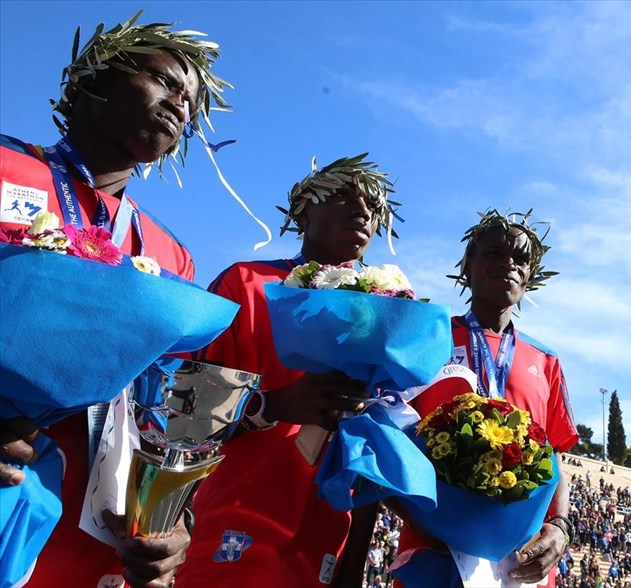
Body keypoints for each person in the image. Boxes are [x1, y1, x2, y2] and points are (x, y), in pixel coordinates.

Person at [0, 12, 229, 587]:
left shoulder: (172, 255)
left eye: (191, 101)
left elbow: (181, 401)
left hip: (96, 536)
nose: (180, 103)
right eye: (165, 81)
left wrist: (176, 515)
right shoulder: (6, 164)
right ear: (92, 81)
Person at [174, 154, 397, 587]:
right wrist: (272, 404)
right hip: (234, 525)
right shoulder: (247, 282)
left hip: (327, 537)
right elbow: (184, 415)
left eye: (374, 206)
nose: (363, 211)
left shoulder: (389, 313)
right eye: (343, 196)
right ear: (303, 209)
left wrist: (353, 564)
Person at [397, 209, 579, 587]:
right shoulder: (425, 338)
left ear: (530, 278)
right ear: (467, 267)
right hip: (433, 549)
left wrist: (560, 527)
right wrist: (418, 511)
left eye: (520, 259)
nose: (509, 264)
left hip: (520, 564)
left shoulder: (545, 361)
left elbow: (554, 455)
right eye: (495, 253)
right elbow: (389, 431)